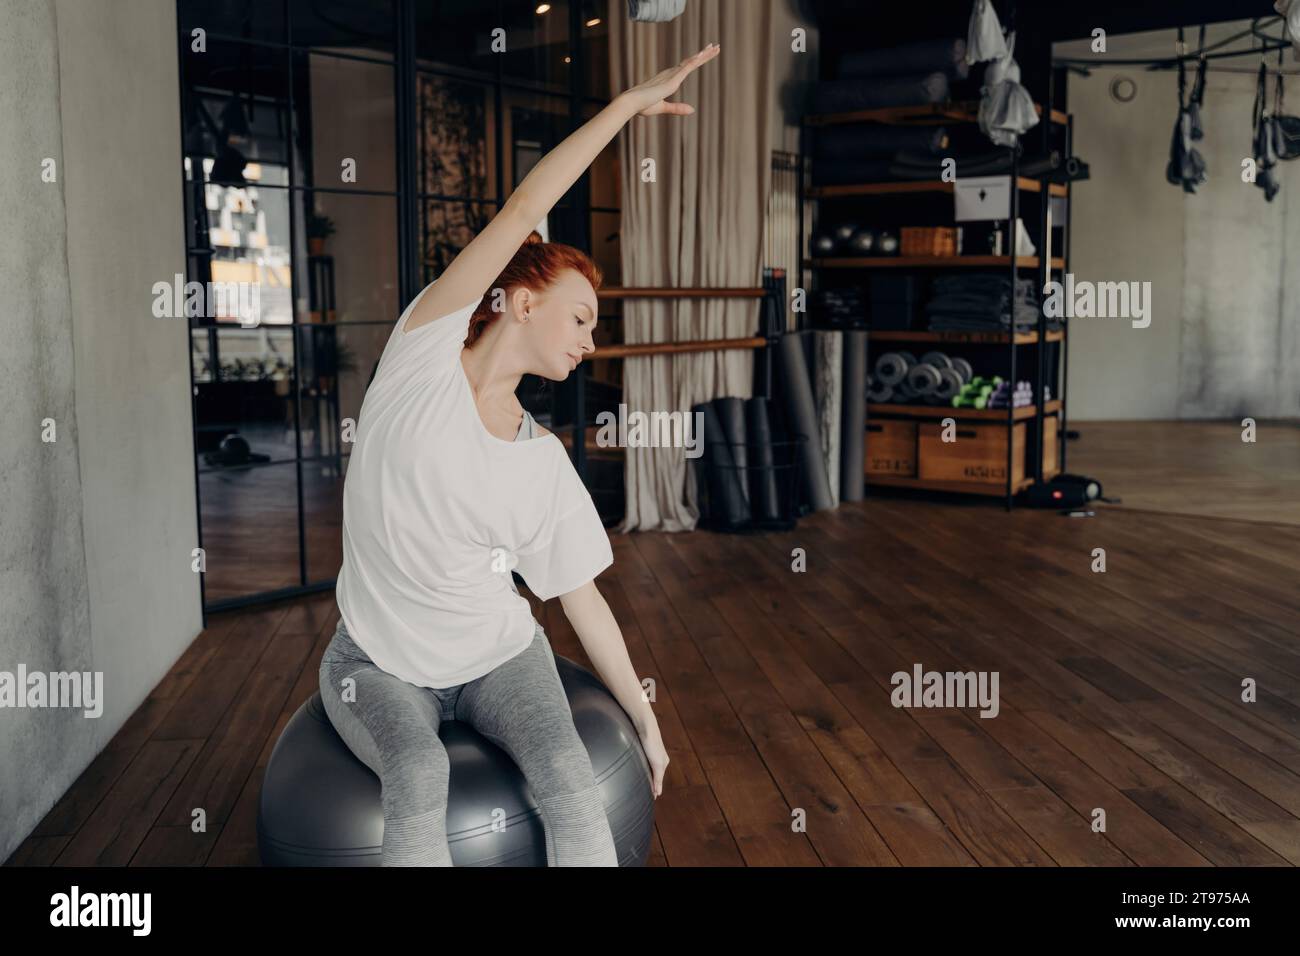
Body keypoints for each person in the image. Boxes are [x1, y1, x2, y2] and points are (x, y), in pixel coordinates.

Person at [320, 42, 722, 866]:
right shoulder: (421, 355)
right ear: (523, 299)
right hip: (377, 662)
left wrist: (645, 718)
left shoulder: (541, 460)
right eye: (581, 318)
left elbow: (583, 602)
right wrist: (622, 109)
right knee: (419, 774)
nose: (590, 341)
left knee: (571, 782)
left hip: (501, 657)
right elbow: (526, 203)